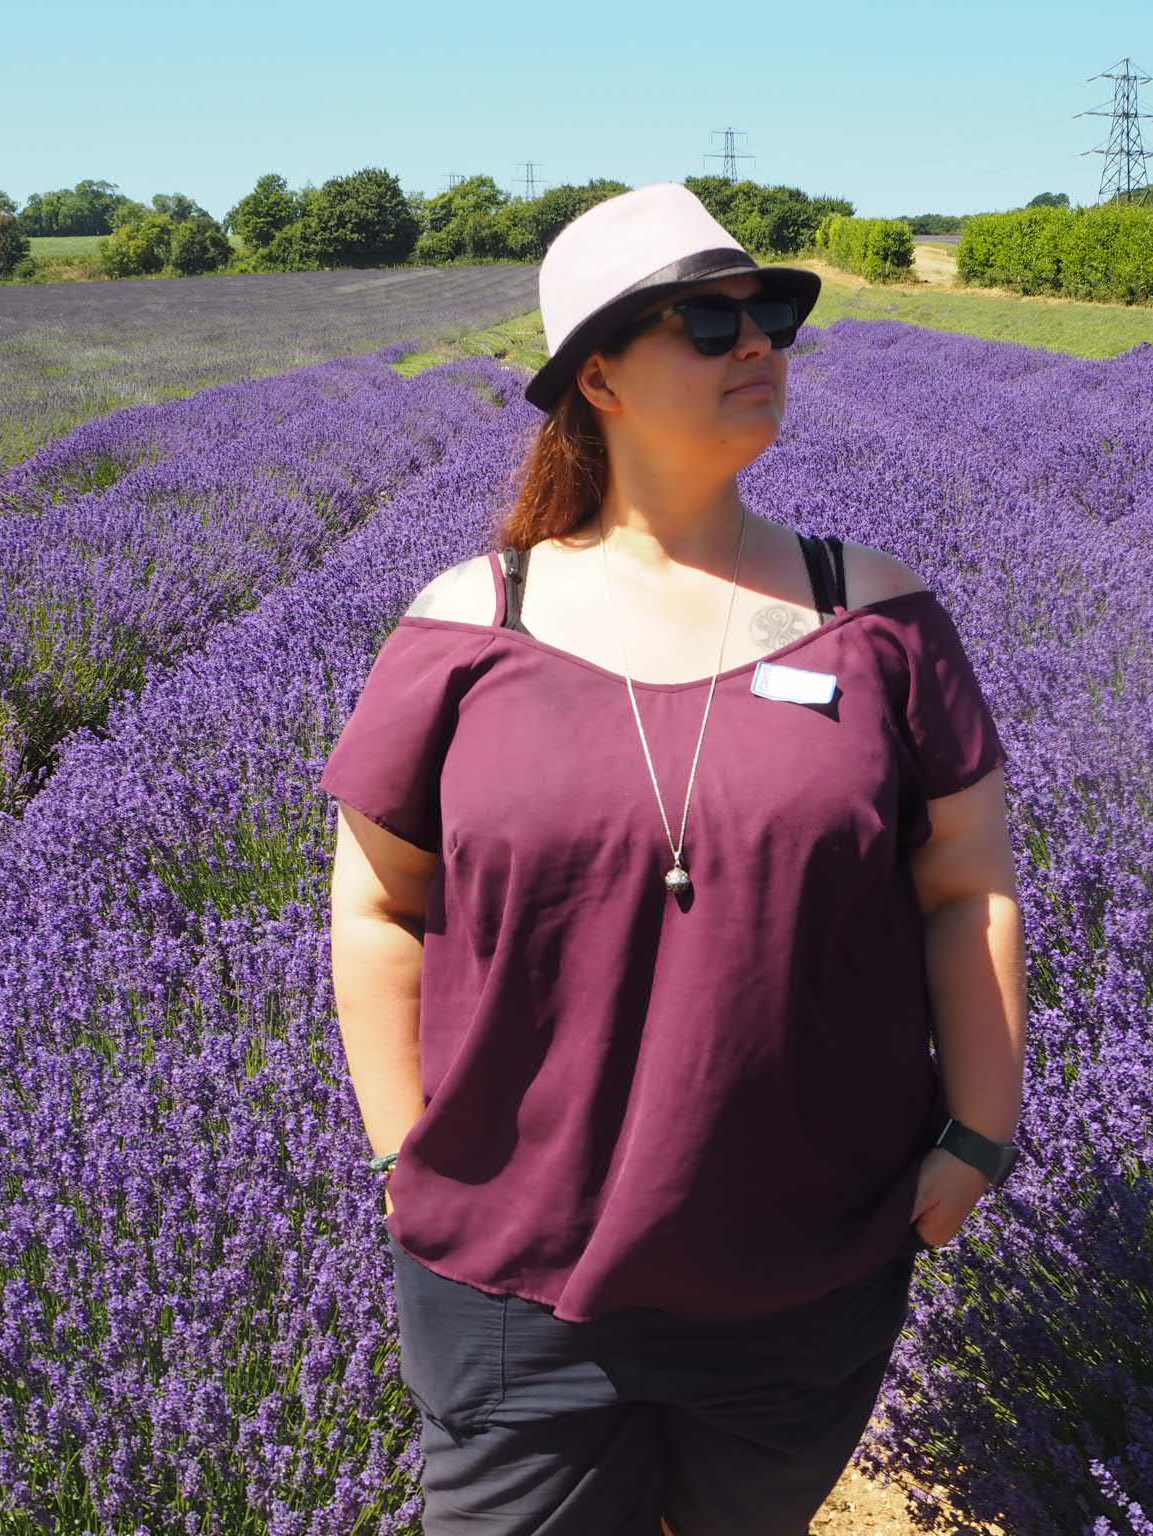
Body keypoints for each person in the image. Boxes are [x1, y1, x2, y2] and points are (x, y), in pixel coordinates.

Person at [318, 181, 1028, 1536]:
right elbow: (376, 904)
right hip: (513, 1288)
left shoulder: (877, 617)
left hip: (803, 1269)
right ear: (600, 374)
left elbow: (967, 887)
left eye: (770, 316)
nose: (759, 342)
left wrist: (976, 1138)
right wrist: (406, 1155)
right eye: (711, 323)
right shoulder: (468, 627)